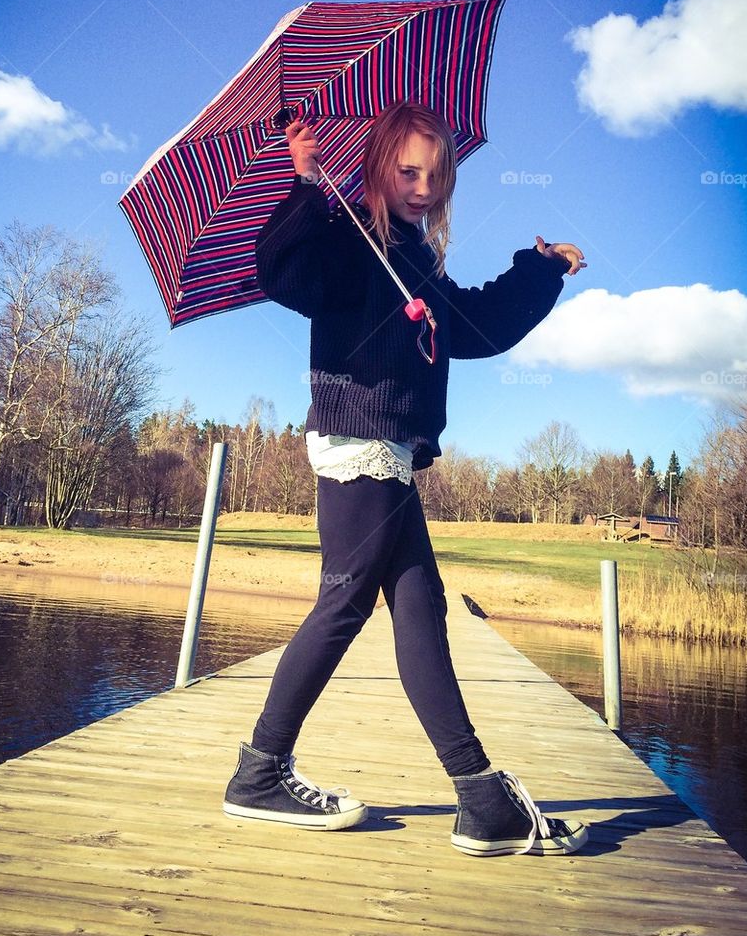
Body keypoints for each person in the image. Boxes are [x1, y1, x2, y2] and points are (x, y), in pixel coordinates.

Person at [223, 101, 588, 856]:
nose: (423, 185)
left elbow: (478, 325)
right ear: (377, 166)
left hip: (389, 451)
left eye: (437, 173)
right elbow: (285, 276)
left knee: (421, 608)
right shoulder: (349, 235)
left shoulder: (415, 256)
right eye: (408, 169)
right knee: (347, 598)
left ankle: (479, 796)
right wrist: (304, 187)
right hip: (355, 439)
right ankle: (259, 771)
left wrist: (541, 269)